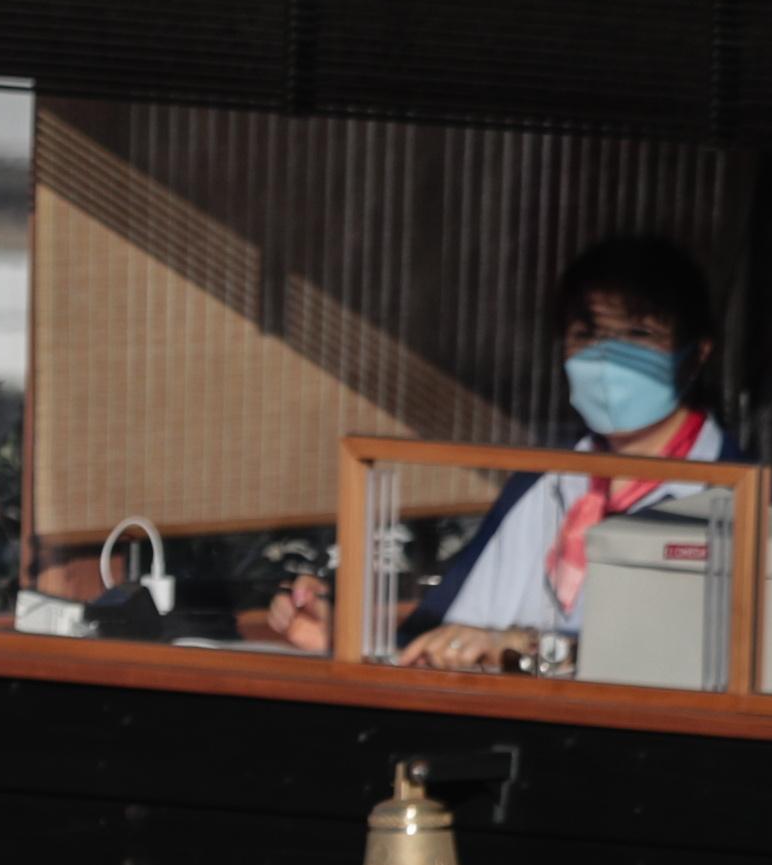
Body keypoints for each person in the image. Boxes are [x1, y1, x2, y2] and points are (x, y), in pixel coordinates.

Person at [270, 234, 737, 671]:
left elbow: (701, 668)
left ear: (696, 354)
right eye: (587, 335)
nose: (609, 358)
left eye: (637, 336)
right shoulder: (543, 481)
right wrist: (341, 639)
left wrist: (524, 649)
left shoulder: (748, 504)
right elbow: (441, 639)